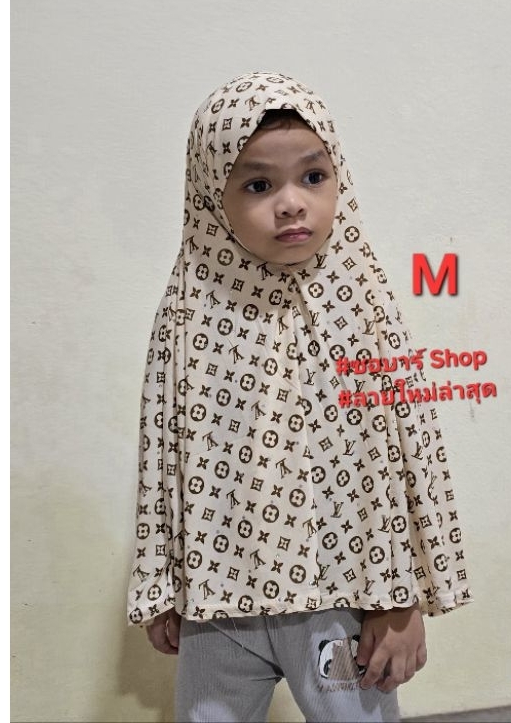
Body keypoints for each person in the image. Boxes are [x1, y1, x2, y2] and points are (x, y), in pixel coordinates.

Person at [127, 71, 472, 722]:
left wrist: (399, 601)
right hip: (219, 602)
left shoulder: (362, 305)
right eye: (259, 185)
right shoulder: (189, 313)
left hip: (339, 599)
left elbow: (402, 459)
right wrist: (162, 583)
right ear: (210, 194)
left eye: (313, 177)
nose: (291, 203)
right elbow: (163, 458)